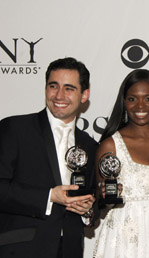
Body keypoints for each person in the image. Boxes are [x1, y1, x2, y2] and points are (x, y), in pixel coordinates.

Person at [0, 57, 98, 258]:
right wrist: (49, 196)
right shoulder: (16, 129)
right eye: (53, 86)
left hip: (70, 250)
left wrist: (87, 210)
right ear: (45, 89)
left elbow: (92, 197)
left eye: (69, 88)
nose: (59, 95)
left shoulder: (89, 145)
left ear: (84, 95)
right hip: (21, 249)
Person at [93, 69, 149, 258]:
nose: (140, 105)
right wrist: (101, 195)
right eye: (132, 99)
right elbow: (100, 201)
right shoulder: (111, 145)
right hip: (122, 243)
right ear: (124, 103)